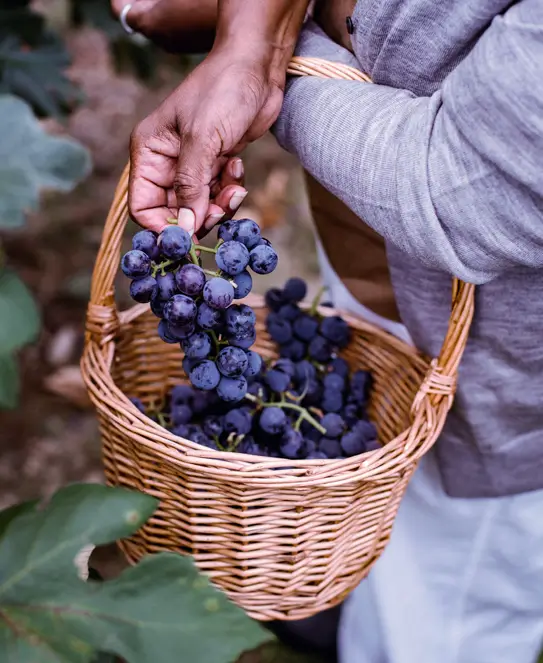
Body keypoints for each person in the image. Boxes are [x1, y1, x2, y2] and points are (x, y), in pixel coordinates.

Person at [111, 2, 543, 663]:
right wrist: (249, 36)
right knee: (364, 424)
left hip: (506, 360)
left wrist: (259, 62)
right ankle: (359, 588)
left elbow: (456, 191)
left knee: (449, 605)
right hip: (379, 235)